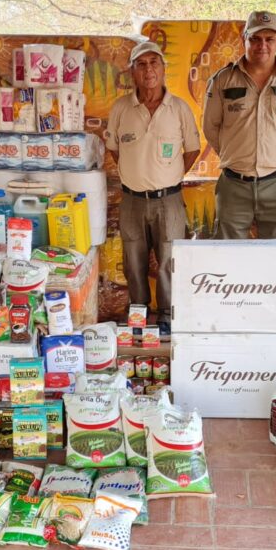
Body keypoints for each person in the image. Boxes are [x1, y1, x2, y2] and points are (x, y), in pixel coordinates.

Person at [105, 41, 200, 338]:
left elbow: (192, 150)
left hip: (169, 199)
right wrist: (138, 175)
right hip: (132, 200)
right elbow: (115, 150)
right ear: (132, 71)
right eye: (141, 64)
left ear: (163, 68)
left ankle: (167, 316)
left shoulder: (179, 108)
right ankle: (139, 312)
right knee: (133, 259)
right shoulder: (121, 108)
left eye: (154, 63)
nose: (149, 70)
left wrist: (168, 175)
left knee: (169, 260)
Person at [203, 11, 276, 239]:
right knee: (229, 258)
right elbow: (211, 127)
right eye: (255, 39)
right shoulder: (223, 80)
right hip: (234, 185)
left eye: (269, 39)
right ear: (244, 39)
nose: (262, 45)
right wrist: (236, 154)